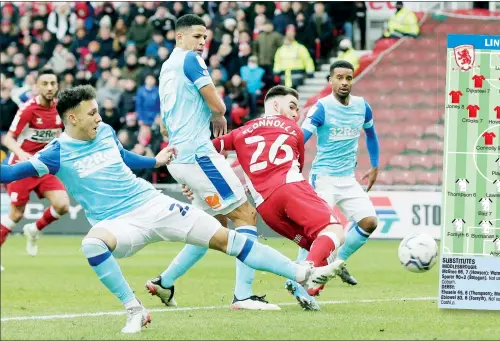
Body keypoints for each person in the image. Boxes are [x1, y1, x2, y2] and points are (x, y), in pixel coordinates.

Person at [0, 85, 344, 334]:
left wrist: (155, 160)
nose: (99, 117)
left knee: (228, 238)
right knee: (91, 244)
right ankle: (134, 309)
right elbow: (11, 173)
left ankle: (303, 274)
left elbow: (123, 157)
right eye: (91, 113)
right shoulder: (55, 154)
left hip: (153, 204)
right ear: (72, 118)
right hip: (119, 225)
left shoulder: (103, 131)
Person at [148, 14, 279, 311]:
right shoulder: (190, 60)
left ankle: (164, 282)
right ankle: (243, 296)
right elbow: (218, 104)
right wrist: (218, 113)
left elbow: (164, 128)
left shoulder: (166, 68)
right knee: (245, 215)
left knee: (212, 225)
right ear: (179, 37)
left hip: (178, 155)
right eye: (196, 36)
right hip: (198, 155)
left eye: (205, 38)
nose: (202, 43)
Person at [182, 85, 346, 310]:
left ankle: (307, 283)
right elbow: (297, 166)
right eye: (292, 107)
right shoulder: (293, 129)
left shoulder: (241, 132)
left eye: (297, 109)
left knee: (313, 242)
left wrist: (191, 183)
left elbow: (202, 153)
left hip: (266, 208)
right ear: (276, 105)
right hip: (290, 189)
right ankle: (302, 278)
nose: (295, 114)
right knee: (334, 231)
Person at [297, 60, 381, 286]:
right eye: (339, 78)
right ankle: (299, 281)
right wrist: (292, 161)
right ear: (330, 80)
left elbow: (371, 134)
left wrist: (374, 165)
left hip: (347, 178)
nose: (344, 83)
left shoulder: (362, 106)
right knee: (317, 232)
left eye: (349, 78)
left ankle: (338, 261)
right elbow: (301, 137)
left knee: (369, 222)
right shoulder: (321, 107)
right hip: (323, 178)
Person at [1, 69, 70, 259]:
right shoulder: (28, 109)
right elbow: (8, 139)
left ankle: (34, 230)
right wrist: (22, 154)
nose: (49, 87)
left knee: (63, 204)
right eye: (45, 83)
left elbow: (56, 135)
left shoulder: (59, 109)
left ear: (57, 86)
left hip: (43, 166)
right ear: (38, 86)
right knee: (16, 214)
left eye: (53, 83)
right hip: (22, 168)